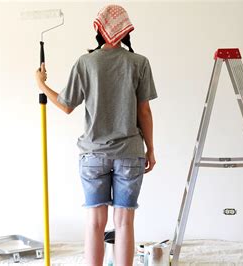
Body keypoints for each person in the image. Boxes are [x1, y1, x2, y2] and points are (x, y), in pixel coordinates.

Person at [35, 4, 157, 266]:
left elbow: (67, 105)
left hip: (93, 156)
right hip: (130, 154)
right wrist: (151, 149)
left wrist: (41, 83)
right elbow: (144, 112)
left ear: (98, 30)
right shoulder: (139, 63)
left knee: (94, 222)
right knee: (124, 222)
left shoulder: (86, 62)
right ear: (125, 31)